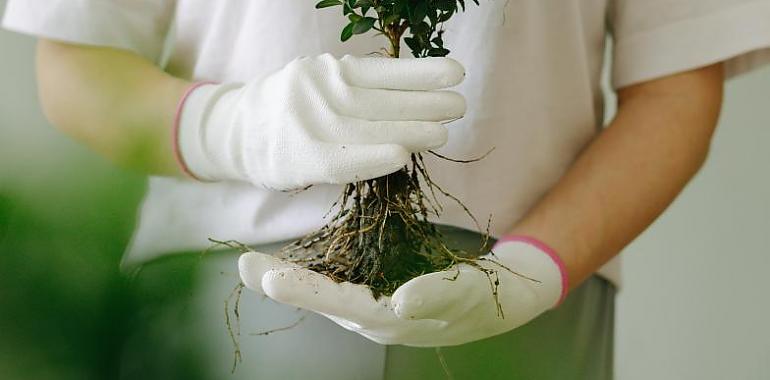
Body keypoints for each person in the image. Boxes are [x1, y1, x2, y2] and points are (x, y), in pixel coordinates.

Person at [4, 0, 770, 378]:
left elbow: (675, 85)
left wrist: (533, 270)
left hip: (527, 293)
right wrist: (230, 125)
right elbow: (77, 65)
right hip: (224, 283)